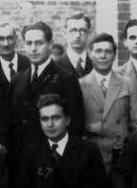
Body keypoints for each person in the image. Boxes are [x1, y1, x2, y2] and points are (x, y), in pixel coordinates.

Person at [8, 22, 84, 159]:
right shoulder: (17, 80)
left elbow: (76, 123)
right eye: (29, 43)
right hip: (20, 157)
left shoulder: (66, 79)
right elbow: (11, 121)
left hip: (51, 156)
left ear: (50, 44)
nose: (33, 49)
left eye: (39, 43)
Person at [80, 33, 137, 170]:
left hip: (120, 153)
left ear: (114, 55)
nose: (103, 56)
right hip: (91, 153)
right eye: (98, 51)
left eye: (108, 51)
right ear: (90, 54)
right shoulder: (80, 85)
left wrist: (134, 154)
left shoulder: (127, 83)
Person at [0, 20, 30, 147]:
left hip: (29, 140)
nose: (6, 43)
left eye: (9, 38)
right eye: (1, 39)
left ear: (16, 39)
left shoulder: (30, 66)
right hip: (0, 142)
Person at [56, 12, 93, 78]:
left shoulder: (96, 65)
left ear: (89, 33)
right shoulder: (54, 66)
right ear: (64, 33)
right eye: (73, 30)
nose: (77, 35)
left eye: (83, 31)